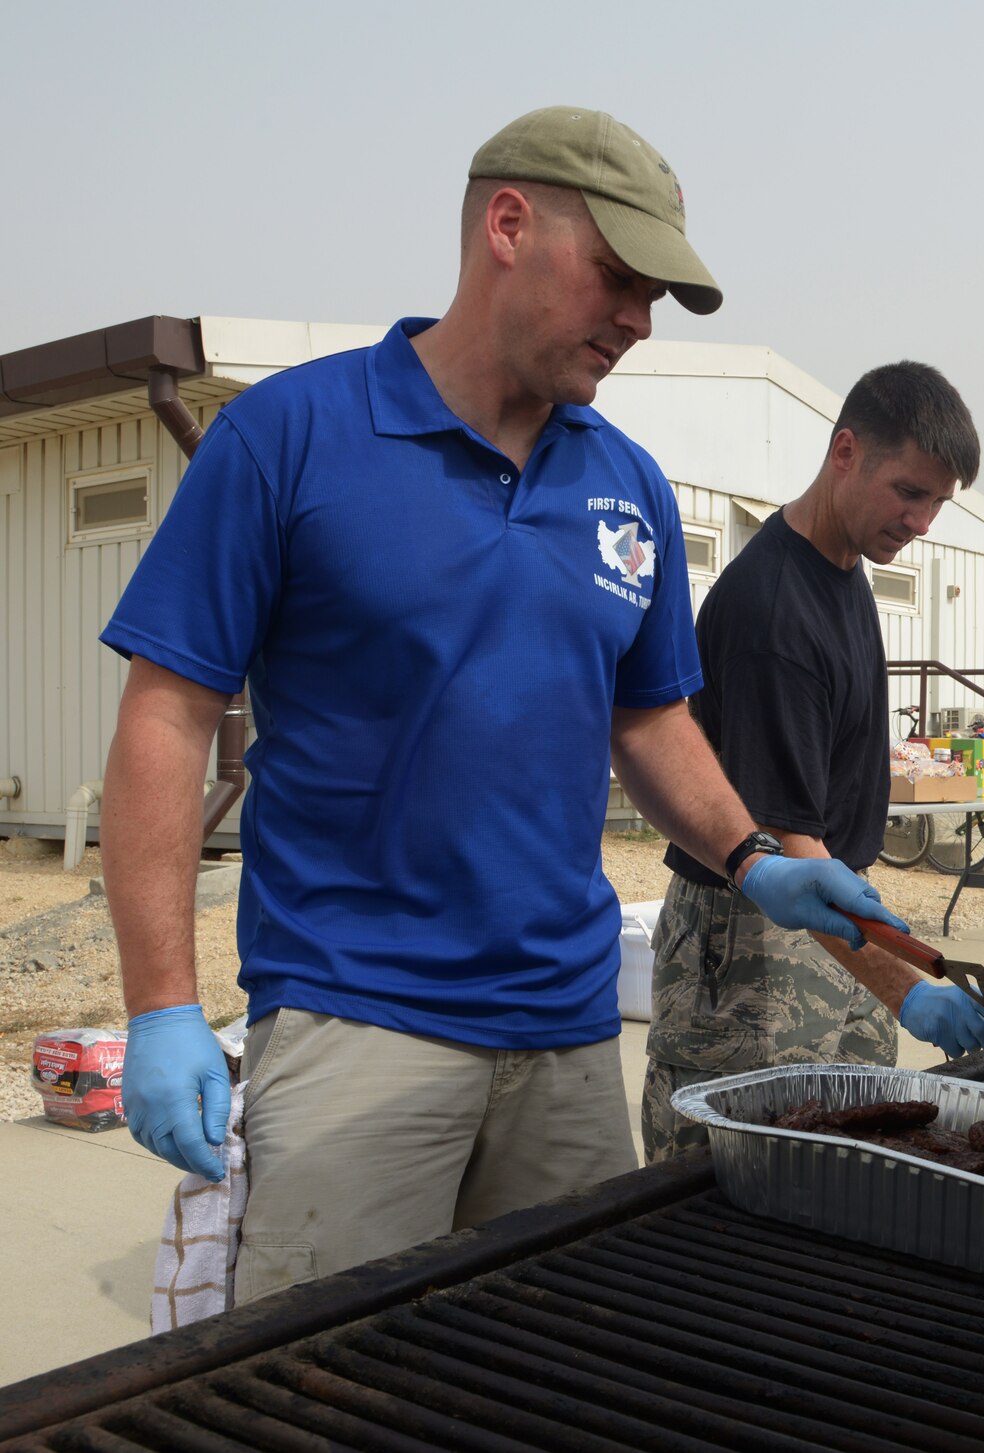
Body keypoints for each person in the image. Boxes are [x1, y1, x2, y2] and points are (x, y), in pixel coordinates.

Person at [97, 105, 904, 1304]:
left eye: (654, 299)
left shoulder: (622, 481)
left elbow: (647, 716)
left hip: (566, 1033)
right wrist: (160, 1005)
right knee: (333, 1382)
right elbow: (164, 719)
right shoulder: (291, 438)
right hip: (355, 1018)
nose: (635, 321)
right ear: (507, 226)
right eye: (619, 279)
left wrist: (747, 854)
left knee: (551, 1369)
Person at [642, 362, 984, 1160]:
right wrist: (909, 992)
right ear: (846, 451)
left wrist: (886, 972)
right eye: (909, 492)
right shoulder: (773, 608)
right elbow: (784, 840)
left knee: (838, 1166)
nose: (923, 521)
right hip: (753, 945)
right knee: (735, 1172)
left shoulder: (844, 572)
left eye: (939, 501)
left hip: (837, 913)